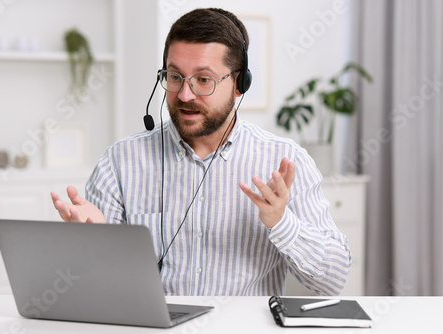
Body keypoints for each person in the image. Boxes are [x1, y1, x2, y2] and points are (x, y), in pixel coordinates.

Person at [51, 8, 351, 296]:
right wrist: (95, 241)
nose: (184, 94)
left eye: (203, 80)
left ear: (238, 84)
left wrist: (282, 222)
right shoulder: (120, 162)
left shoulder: (285, 162)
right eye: (174, 76)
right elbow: (95, 289)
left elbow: (333, 281)